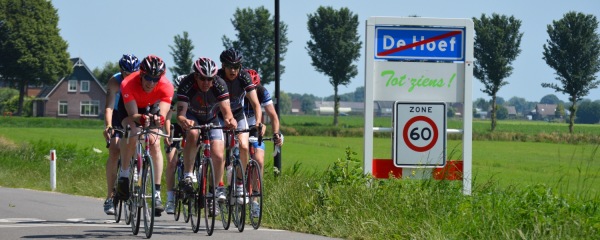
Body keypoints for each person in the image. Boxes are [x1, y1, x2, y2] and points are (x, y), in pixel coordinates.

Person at [116, 55, 174, 216]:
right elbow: (133, 115)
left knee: (155, 142)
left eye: (155, 79)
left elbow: (162, 114)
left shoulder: (167, 86)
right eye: (148, 78)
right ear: (141, 74)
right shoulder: (127, 83)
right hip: (132, 109)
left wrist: (158, 119)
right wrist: (140, 119)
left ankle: (156, 193)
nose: (151, 82)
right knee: (134, 133)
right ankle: (125, 175)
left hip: (152, 106)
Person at [176, 57, 237, 206]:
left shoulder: (219, 84)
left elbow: (227, 111)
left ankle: (214, 189)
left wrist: (230, 120)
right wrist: (185, 121)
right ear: (196, 75)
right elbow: (180, 114)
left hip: (212, 118)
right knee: (193, 133)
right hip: (192, 116)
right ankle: (188, 175)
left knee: (217, 153)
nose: (206, 83)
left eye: (209, 79)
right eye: (203, 78)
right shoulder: (186, 84)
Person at [217, 48, 262, 201]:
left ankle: (240, 183)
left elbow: (256, 104)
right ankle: (219, 185)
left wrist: (258, 122)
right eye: (230, 66)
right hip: (218, 115)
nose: (233, 70)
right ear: (223, 65)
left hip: (237, 113)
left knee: (243, 146)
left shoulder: (244, 77)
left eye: (237, 67)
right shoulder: (216, 77)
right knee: (220, 148)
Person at [102, 54, 140, 215]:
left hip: (135, 113)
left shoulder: (142, 80)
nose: (130, 76)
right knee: (114, 149)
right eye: (126, 73)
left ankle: (137, 180)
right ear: (120, 71)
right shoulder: (115, 81)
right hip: (119, 114)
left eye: (134, 73)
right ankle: (110, 196)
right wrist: (109, 125)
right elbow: (109, 107)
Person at [243, 69, 284, 217]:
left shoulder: (262, 91)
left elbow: (273, 115)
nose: (251, 92)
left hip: (255, 126)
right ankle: (235, 183)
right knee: (235, 153)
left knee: (259, 160)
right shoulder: (237, 90)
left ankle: (255, 199)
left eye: (254, 89)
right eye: (249, 89)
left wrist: (276, 133)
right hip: (238, 126)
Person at [163, 75, 185, 214]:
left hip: (187, 126)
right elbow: (167, 118)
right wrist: (167, 134)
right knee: (171, 162)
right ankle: (170, 199)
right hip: (173, 128)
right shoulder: (173, 97)